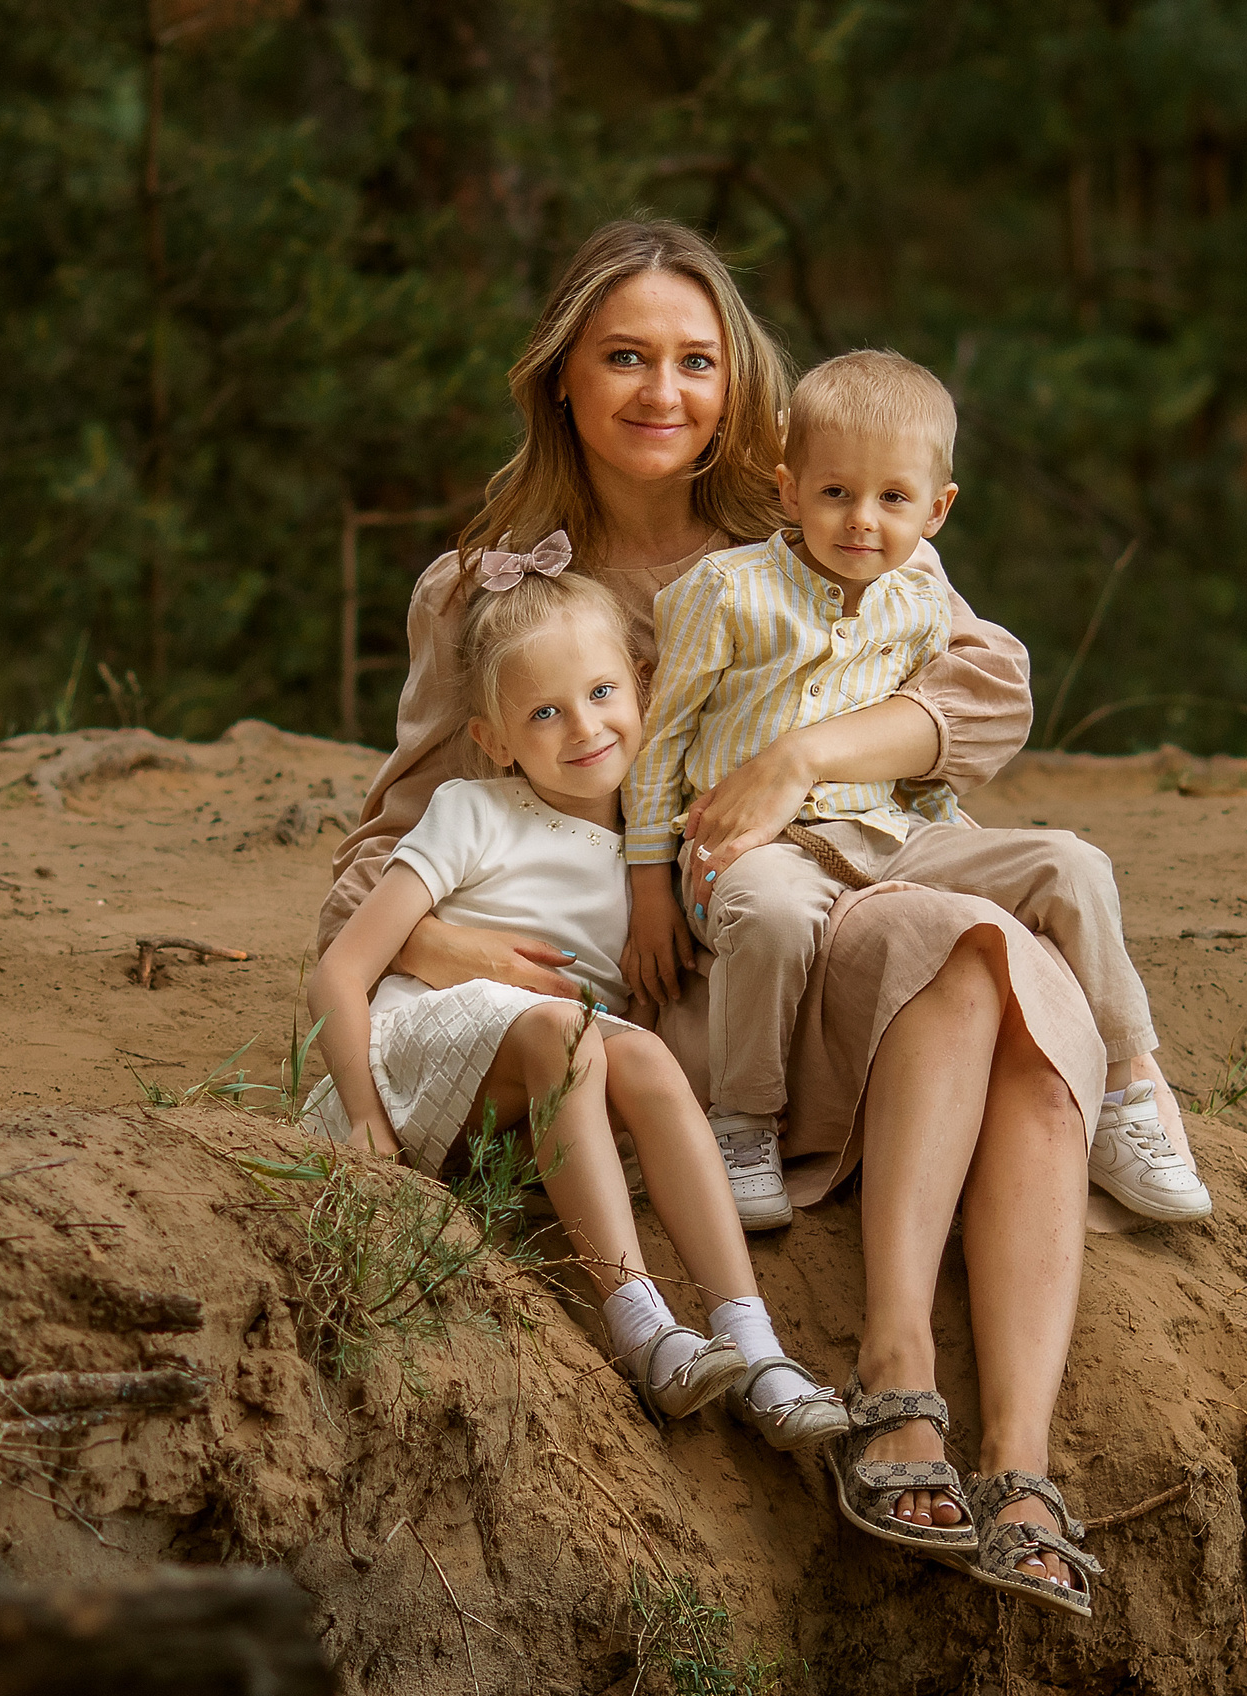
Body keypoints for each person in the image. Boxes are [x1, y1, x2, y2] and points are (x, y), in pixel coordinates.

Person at [319, 217, 1149, 1612]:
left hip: (822, 915)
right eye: (625, 357)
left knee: (1007, 961)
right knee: (959, 950)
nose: (662, 391)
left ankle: (1014, 1453)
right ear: (563, 380)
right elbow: (391, 847)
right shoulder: (486, 590)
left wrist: (805, 755)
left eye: (695, 361)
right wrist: (438, 940)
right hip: (682, 991)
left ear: (734, 383)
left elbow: (990, 690)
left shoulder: (808, 538)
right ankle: (896, 1385)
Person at [621, 349, 1211, 1233]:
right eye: (834, 494)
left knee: (1073, 862)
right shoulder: (725, 591)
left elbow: (971, 712)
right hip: (765, 849)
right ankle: (744, 1123)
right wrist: (648, 885)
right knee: (770, 917)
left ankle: (1128, 1094)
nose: (862, 521)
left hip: (902, 832)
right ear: (788, 490)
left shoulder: (924, 598)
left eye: (893, 499)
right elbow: (662, 737)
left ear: (937, 509)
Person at [303, 562, 849, 1450]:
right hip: (413, 1064)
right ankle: (641, 1325)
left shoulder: (667, 838)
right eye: (545, 712)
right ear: (494, 736)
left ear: (642, 688)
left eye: (601, 692)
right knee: (573, 1032)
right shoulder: (473, 810)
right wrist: (364, 1117)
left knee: (645, 1058)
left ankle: (753, 1344)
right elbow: (339, 970)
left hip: (542, 1092)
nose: (585, 726)